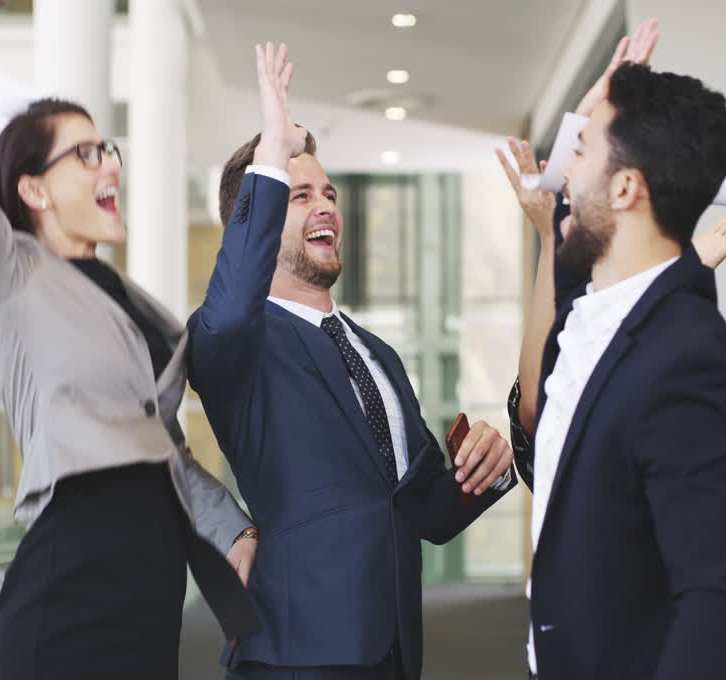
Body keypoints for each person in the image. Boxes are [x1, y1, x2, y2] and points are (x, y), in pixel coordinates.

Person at [0, 0, 257, 677]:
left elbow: (167, 452)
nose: (109, 165)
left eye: (109, 149)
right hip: (71, 576)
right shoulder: (4, 271)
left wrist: (232, 529)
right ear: (33, 188)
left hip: (149, 586)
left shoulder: (137, 305)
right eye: (86, 152)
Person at [187, 42, 518, 680]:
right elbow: (228, 311)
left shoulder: (379, 355)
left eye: (329, 193)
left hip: (393, 650)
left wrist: (489, 468)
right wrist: (269, 155)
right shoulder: (236, 341)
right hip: (295, 652)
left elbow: (425, 512)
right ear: (248, 227)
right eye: (299, 194)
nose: (327, 206)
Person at [524, 40, 726, 677]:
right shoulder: (588, 304)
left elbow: (715, 605)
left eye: (581, 154)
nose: (564, 176)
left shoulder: (685, 354)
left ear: (626, 187)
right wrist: (591, 107)